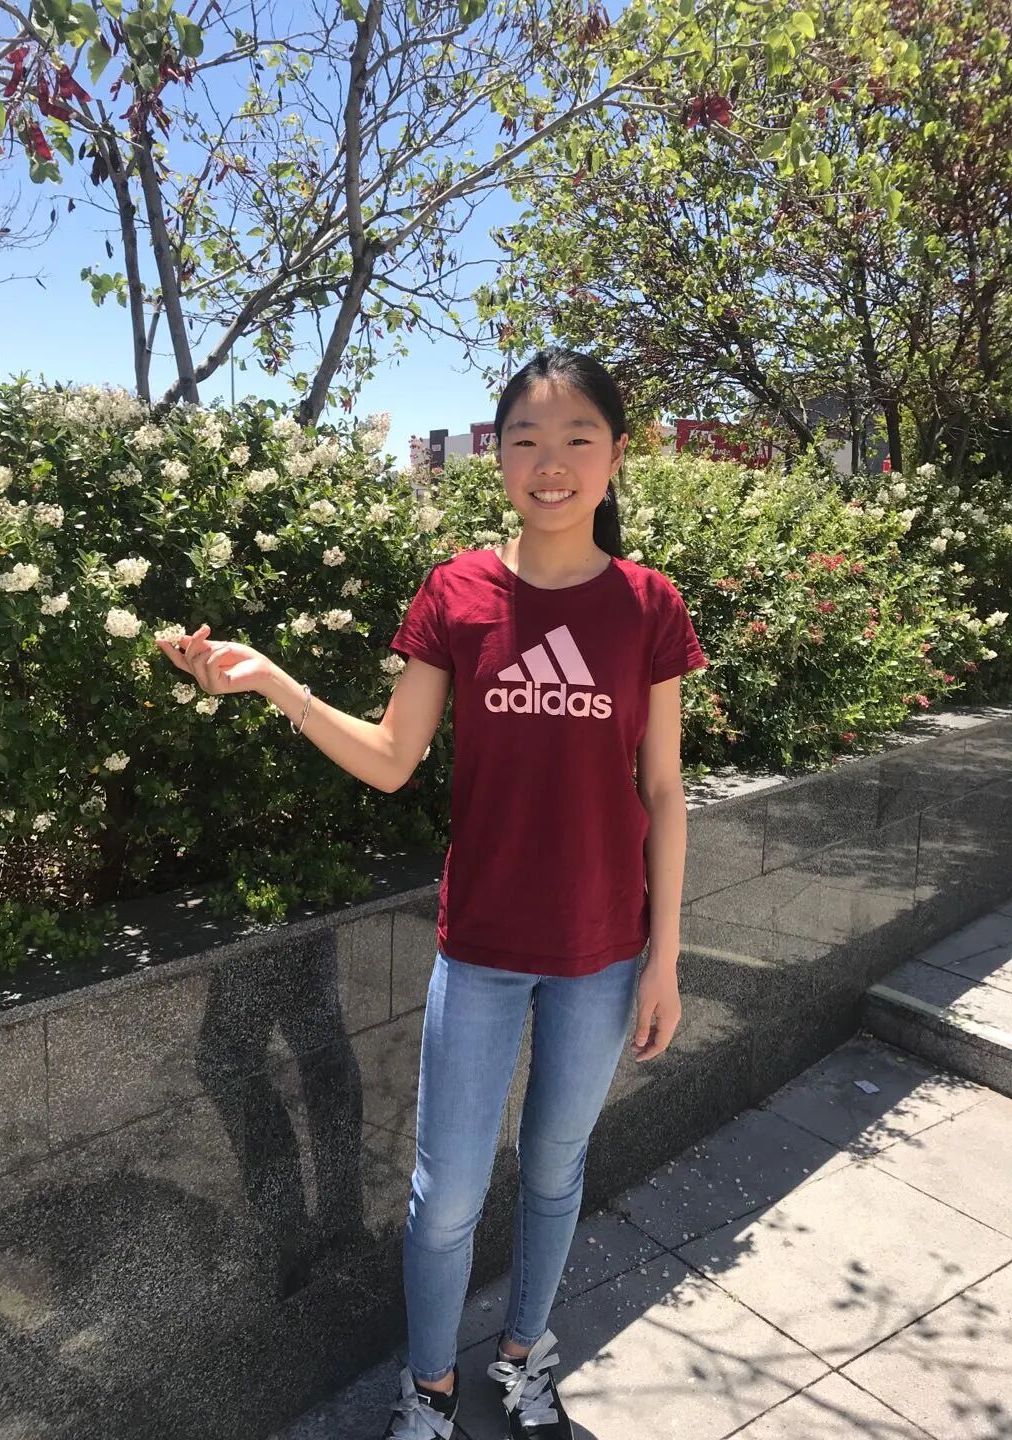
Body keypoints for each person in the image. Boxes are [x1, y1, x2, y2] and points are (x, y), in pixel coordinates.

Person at [157, 347, 707, 1439]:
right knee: (445, 1193)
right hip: (483, 945)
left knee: (555, 1171)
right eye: (526, 440)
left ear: (616, 455)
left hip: (604, 950)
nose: (550, 464)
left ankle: (524, 1353)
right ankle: (429, 1386)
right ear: (497, 455)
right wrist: (274, 683)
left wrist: (666, 959)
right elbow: (392, 756)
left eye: (577, 439)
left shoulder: (648, 605)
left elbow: (662, 789)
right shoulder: (459, 591)